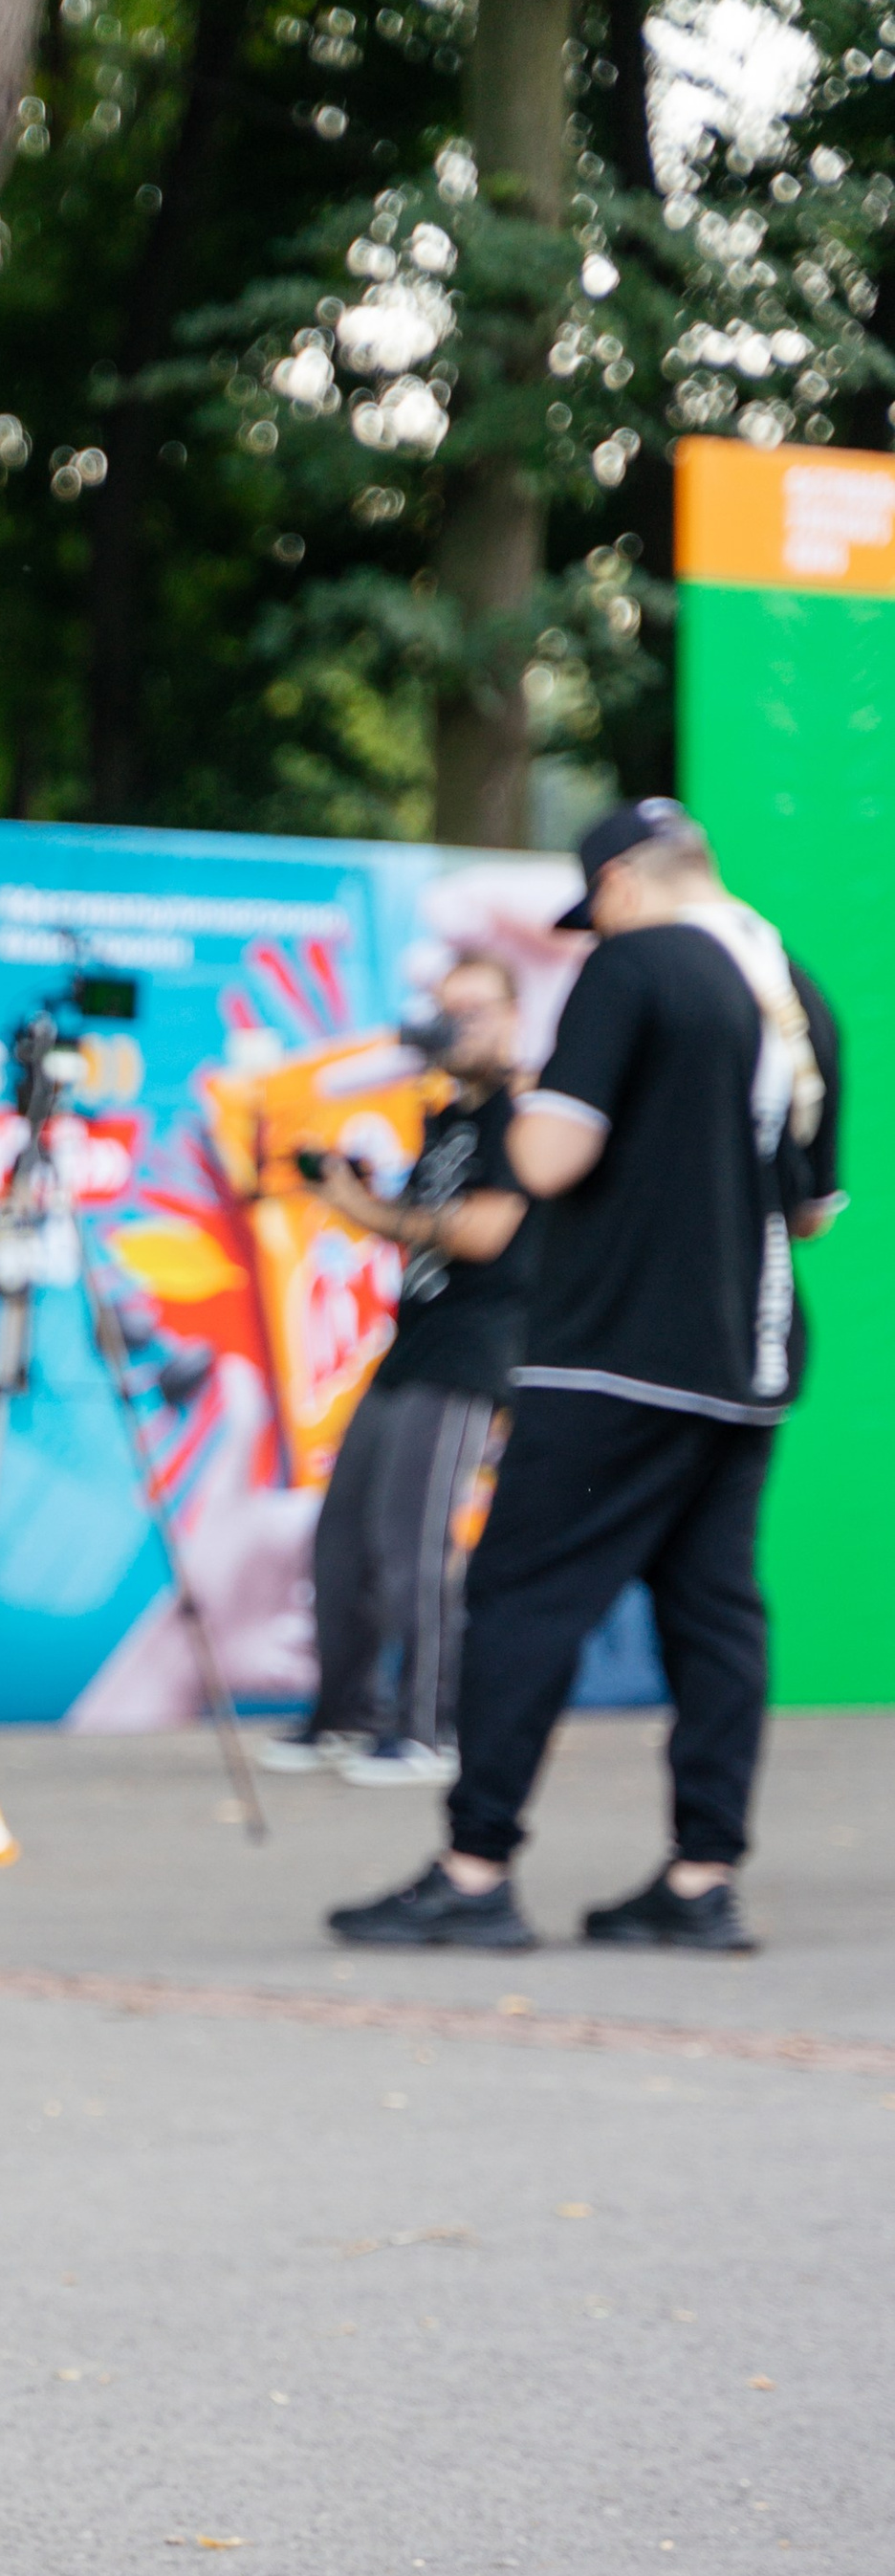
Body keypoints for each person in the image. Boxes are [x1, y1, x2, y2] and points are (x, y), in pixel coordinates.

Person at [330, 797, 842, 1954]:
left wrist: (526, 1096)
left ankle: (473, 1873)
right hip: (749, 1356)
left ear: (616, 883)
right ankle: (701, 1880)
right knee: (714, 1613)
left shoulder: (633, 964)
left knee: (523, 1598)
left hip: (613, 1351)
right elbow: (809, 1211)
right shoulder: (795, 991)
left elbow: (552, 1156)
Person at [257, 954, 531, 1788]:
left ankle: (428, 1730)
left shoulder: (521, 1117)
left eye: (476, 1011)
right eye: (448, 1011)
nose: (457, 1028)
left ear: (514, 1019)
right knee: (343, 1538)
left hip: (472, 1351)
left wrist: (371, 1209)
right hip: (411, 1345)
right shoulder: (448, 1117)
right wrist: (352, 1197)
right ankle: (346, 1714)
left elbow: (484, 1232)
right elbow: (423, 1224)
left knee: (415, 1542)